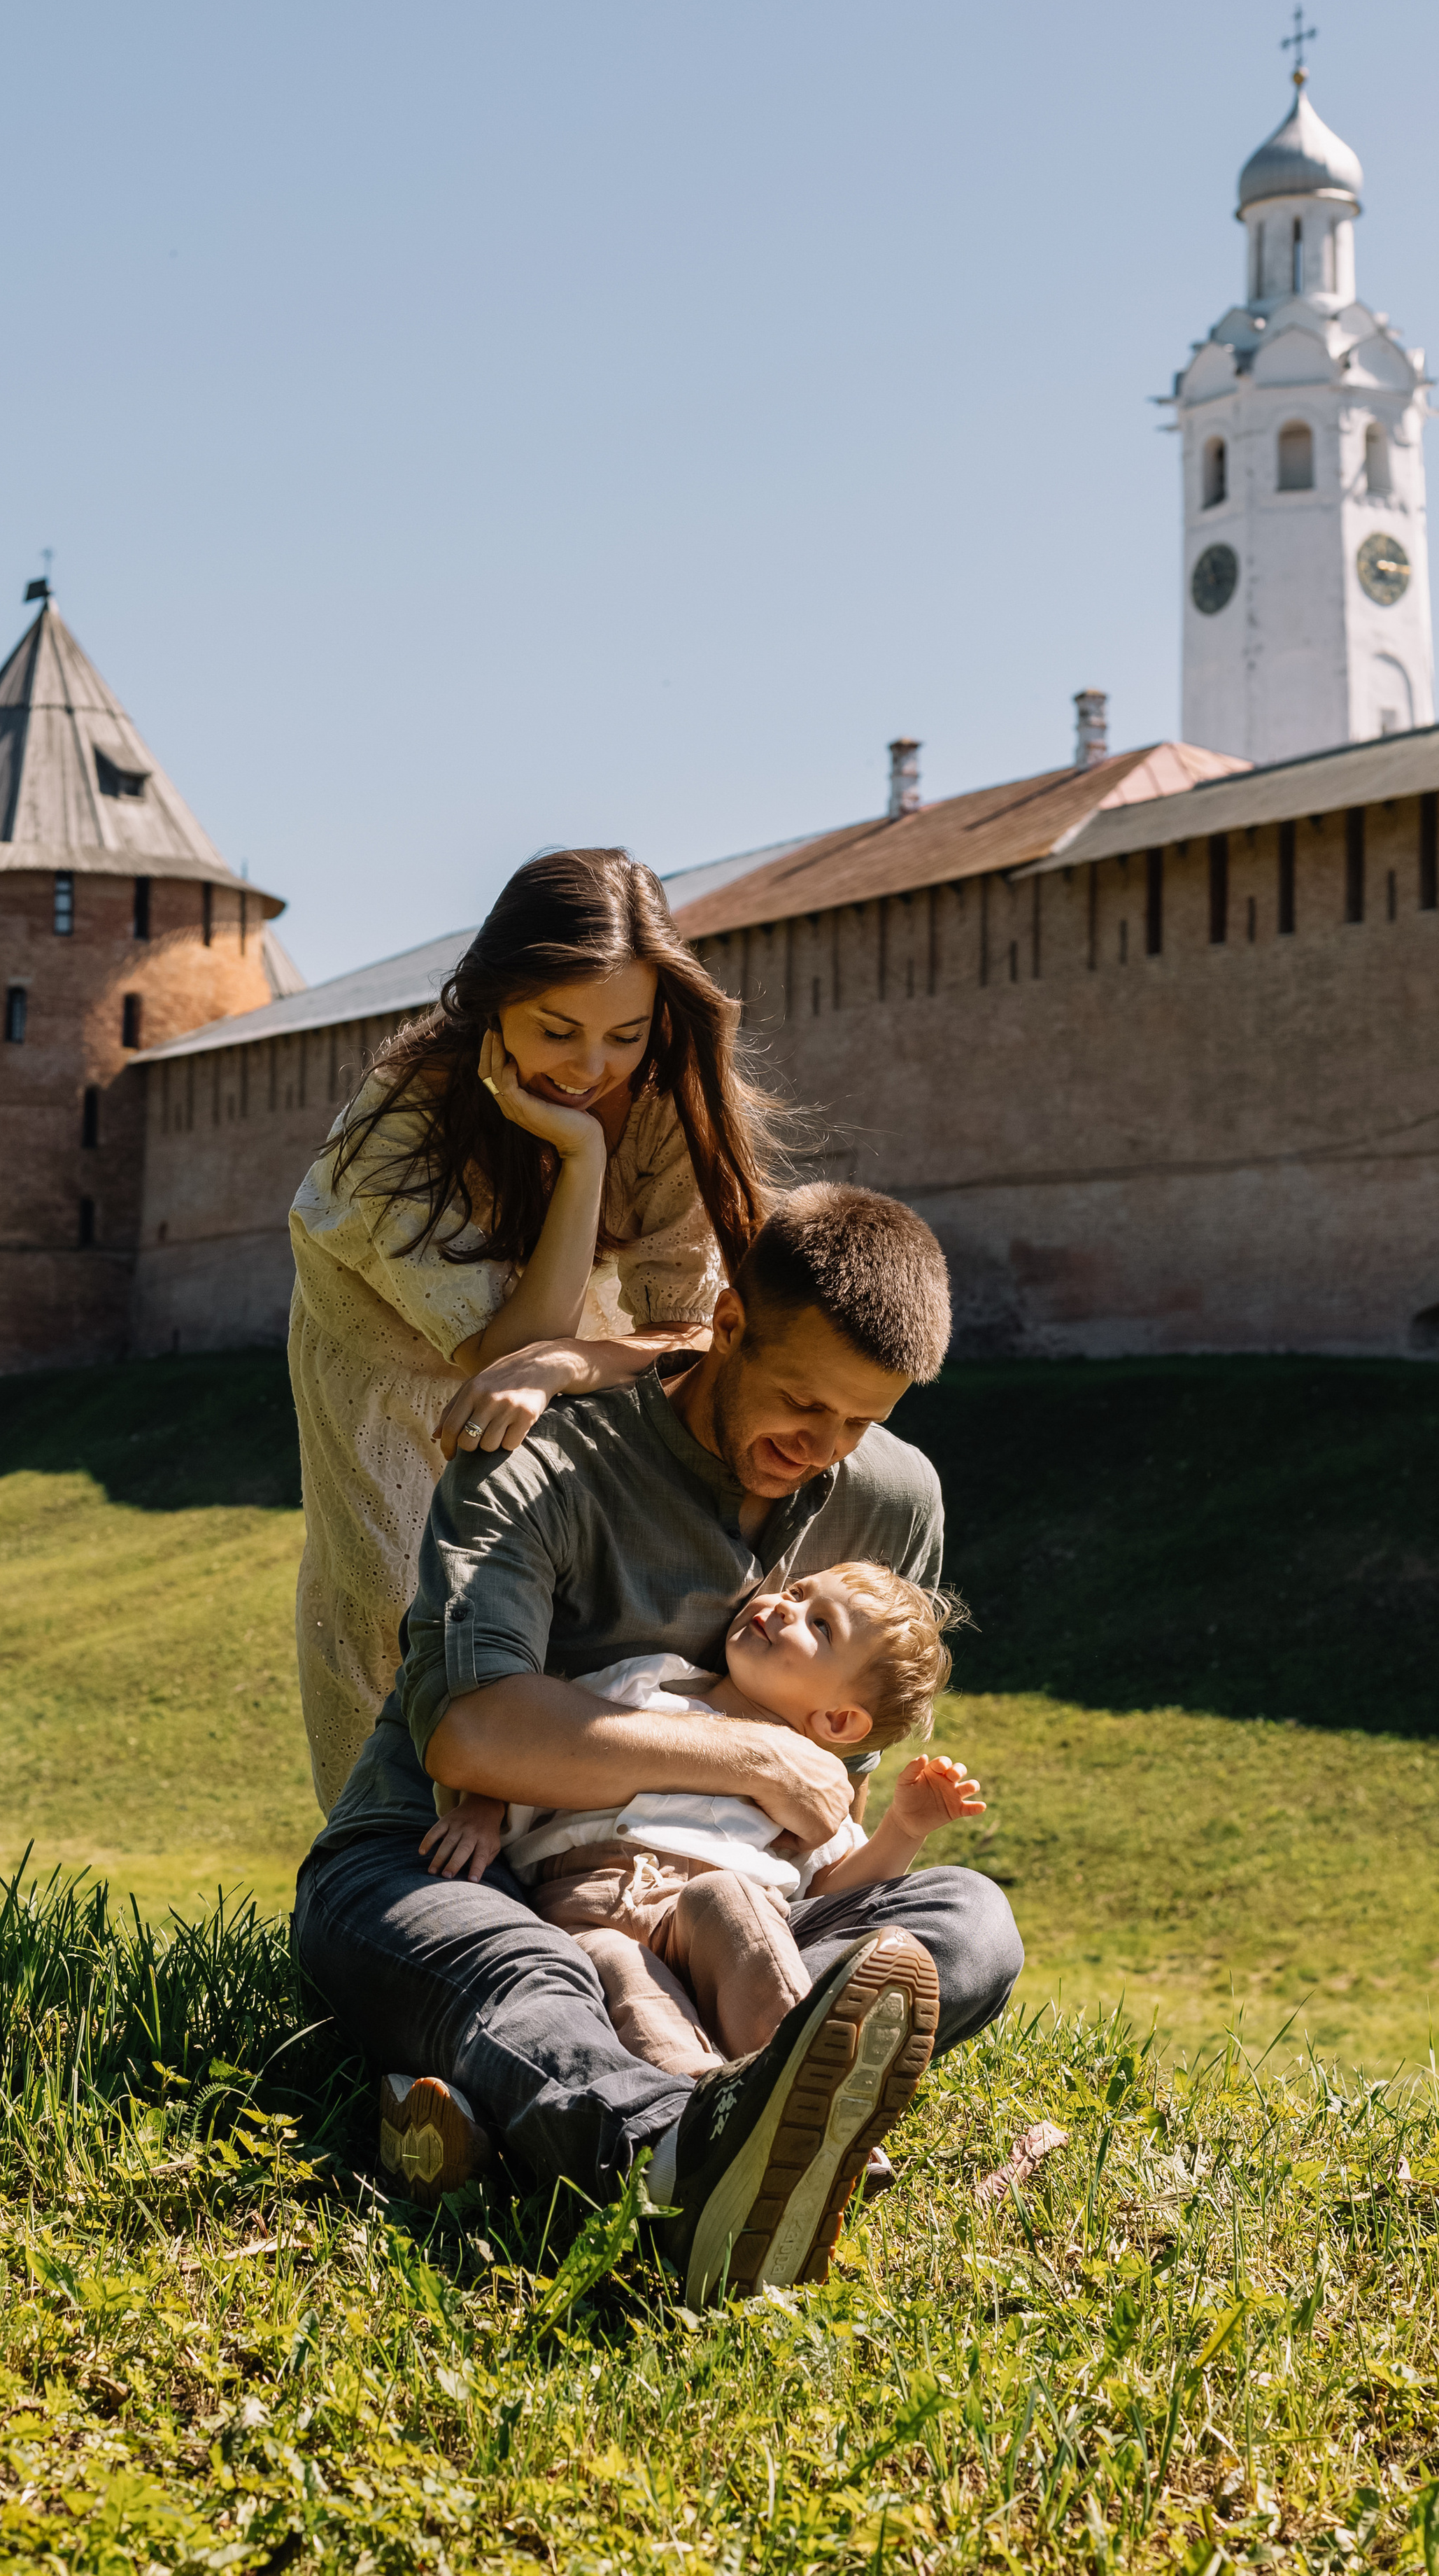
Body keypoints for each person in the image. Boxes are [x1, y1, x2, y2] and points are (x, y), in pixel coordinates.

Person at [292, 1183, 1026, 2305]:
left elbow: (841, 1786)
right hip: (446, 1863)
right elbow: (473, 1730)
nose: (820, 1447)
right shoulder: (537, 1457)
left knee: (967, 1925)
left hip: (728, 1906)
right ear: (728, 1327)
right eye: (798, 1401)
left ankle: (591, 2115)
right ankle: (682, 2167)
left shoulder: (892, 1498)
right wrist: (745, 1758)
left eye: (859, 1421)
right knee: (537, 1972)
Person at [287, 847, 777, 1809]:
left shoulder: (666, 1100)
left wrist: (571, 1359)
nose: (591, 1069)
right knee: (398, 1617)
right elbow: (495, 1354)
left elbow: (696, 1336)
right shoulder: (399, 1123)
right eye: (558, 1029)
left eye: (625, 1036)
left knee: (570, 1626)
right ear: (493, 997)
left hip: (569, 1354)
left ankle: (587, 1898)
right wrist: (583, 1158)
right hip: (391, 1378)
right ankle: (376, 1900)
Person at [416, 1562, 986, 2079]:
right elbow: (536, 1747)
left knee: (731, 1901)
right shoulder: (651, 1683)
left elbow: (834, 1889)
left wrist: (903, 1830)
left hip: (712, 1928)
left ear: (838, 1719)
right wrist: (483, 1807)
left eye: (821, 1626)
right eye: (795, 1590)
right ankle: (700, 2100)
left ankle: (795, 2078)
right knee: (617, 1965)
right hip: (583, 1906)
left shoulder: (815, 1786)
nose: (785, 1606)